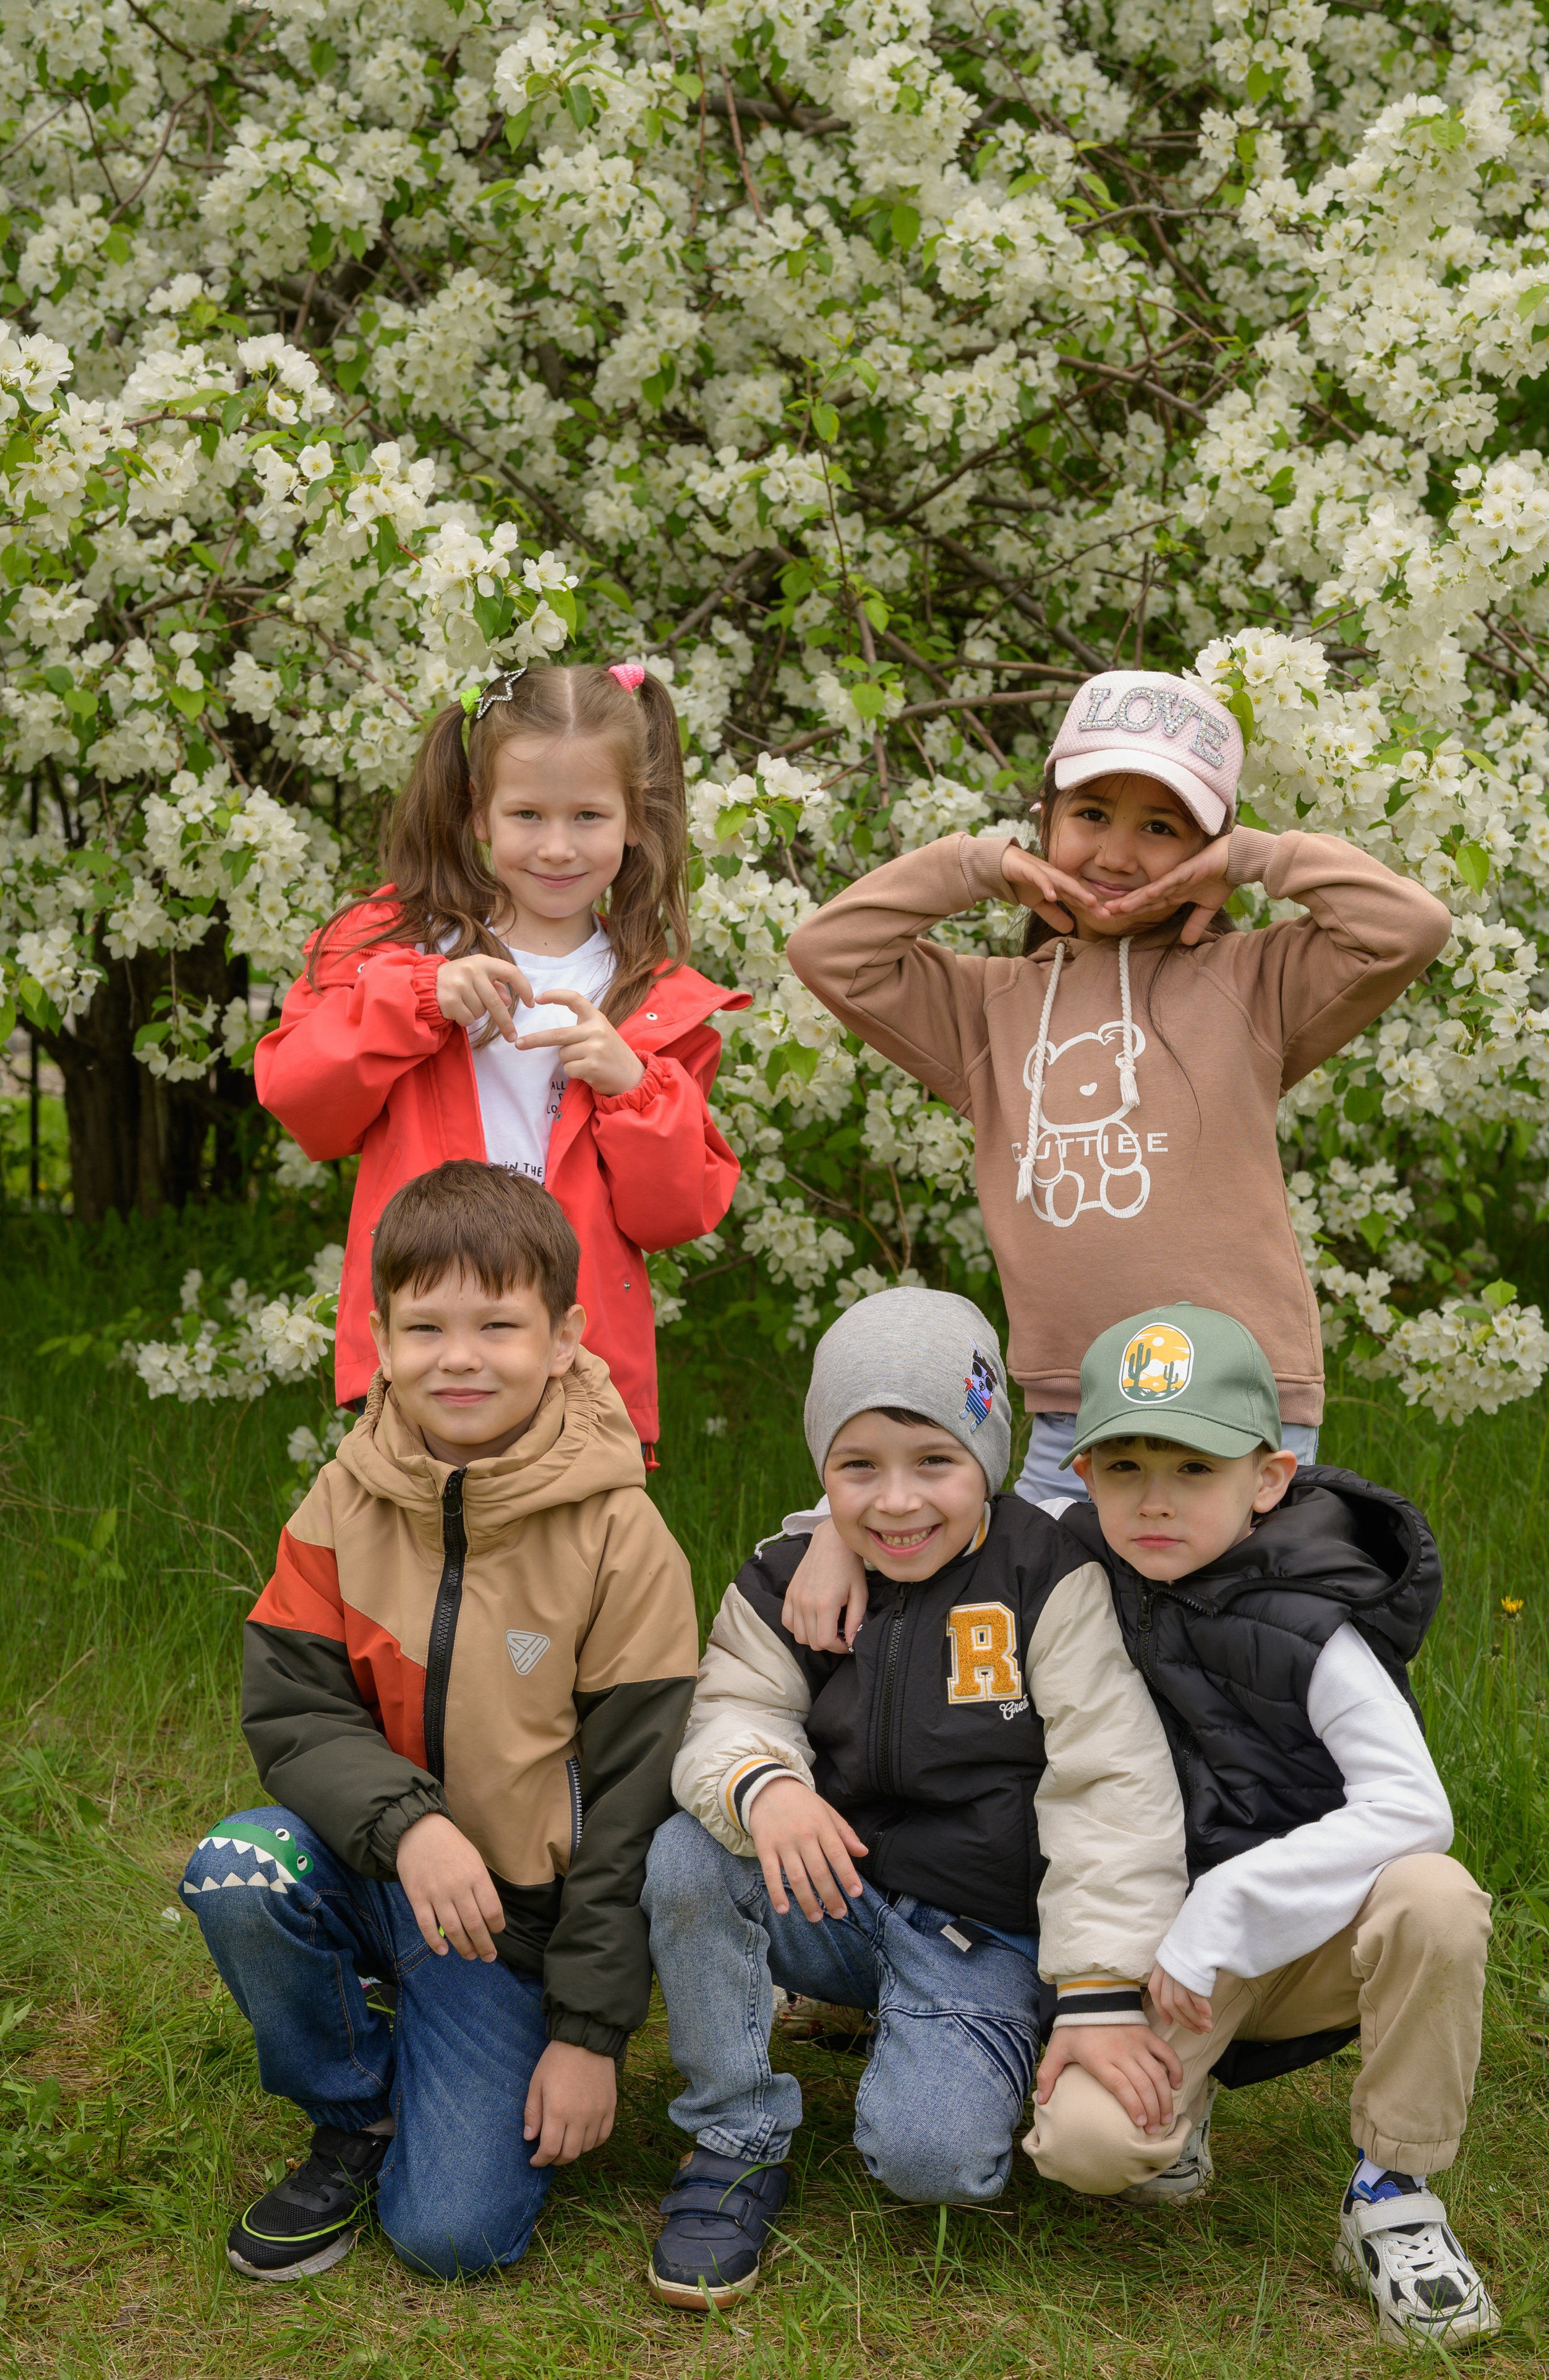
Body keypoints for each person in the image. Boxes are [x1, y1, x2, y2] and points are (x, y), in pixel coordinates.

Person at [780, 668, 1451, 1645]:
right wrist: (982, 865)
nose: (1119, 852)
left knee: (1244, 1647)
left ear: (1207, 848)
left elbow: (1412, 926)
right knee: (1063, 1661)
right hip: (1073, 1426)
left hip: (1235, 1417)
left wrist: (1260, 859)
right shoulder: (987, 1007)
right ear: (1047, 817)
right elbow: (827, 950)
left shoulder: (1253, 982)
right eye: (1092, 812)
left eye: (1163, 828)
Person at [182, 1161, 699, 2282]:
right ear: (377, 1336)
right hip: (381, 1862)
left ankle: (446, 2030)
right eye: (424, 1326)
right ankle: (355, 2105)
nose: (459, 1355)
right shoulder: (339, 1499)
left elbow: (633, 1810)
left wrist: (587, 2032)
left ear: (565, 1336)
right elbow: (291, 1706)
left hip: (508, 1927)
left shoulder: (624, 1536)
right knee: (235, 1865)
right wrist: (411, 1825)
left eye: (498, 1324)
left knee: (450, 2234)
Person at [639, 1287, 1190, 2312]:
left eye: (934, 1461)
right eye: (859, 1468)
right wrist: (767, 1788)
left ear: (987, 1455)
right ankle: (734, 2131)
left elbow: (1109, 1780)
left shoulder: (1047, 1573)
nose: (896, 1502)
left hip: (982, 1934)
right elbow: (732, 1707)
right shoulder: (784, 1576)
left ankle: (986, 2039)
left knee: (930, 2163)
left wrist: (1101, 1982)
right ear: (822, 1472)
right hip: (842, 1893)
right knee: (688, 1853)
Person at [1023, 1300, 1498, 2353]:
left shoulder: (1312, 1618)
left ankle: (1395, 2188)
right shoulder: (1067, 1564)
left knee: (1437, 1893)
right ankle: (1174, 2127)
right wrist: (821, 1546)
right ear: (1083, 1474)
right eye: (1124, 1467)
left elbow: (1414, 1806)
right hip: (1156, 1951)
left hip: (1298, 1935)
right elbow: (918, 1510)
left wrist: (1225, 1907)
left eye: (1194, 1469)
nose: (1155, 1501)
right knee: (1085, 2149)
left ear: (1268, 1479)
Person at [255, 661, 748, 1453]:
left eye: (588, 815)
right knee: (413, 1560)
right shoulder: (397, 950)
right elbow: (301, 1099)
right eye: (527, 814)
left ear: (634, 819)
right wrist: (415, 999)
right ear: (478, 814)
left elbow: (673, 1213)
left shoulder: (658, 1000)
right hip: (426, 1341)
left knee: (566, 1570)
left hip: (574, 1361)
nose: (557, 846)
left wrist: (635, 1089)